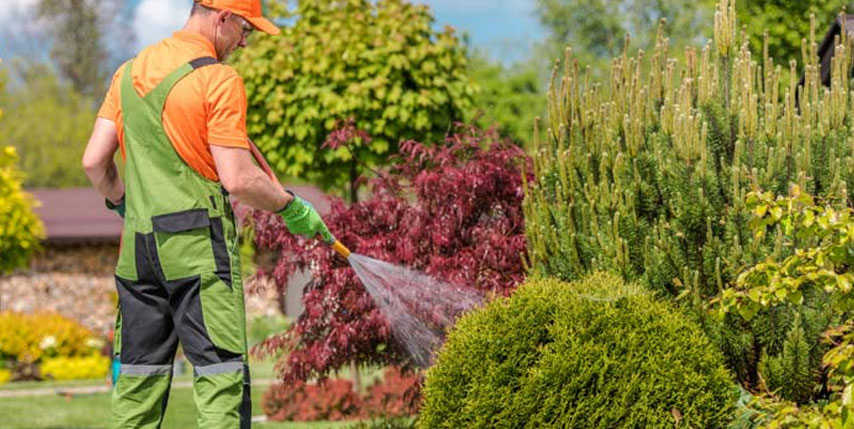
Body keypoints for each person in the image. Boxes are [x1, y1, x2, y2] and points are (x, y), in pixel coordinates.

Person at [81, 1, 332, 427]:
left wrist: (126, 204)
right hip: (198, 250)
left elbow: (93, 162)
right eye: (245, 29)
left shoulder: (127, 73)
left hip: (138, 255)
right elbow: (238, 179)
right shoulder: (218, 79)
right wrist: (292, 207)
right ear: (222, 18)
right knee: (220, 378)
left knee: (137, 386)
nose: (246, 40)